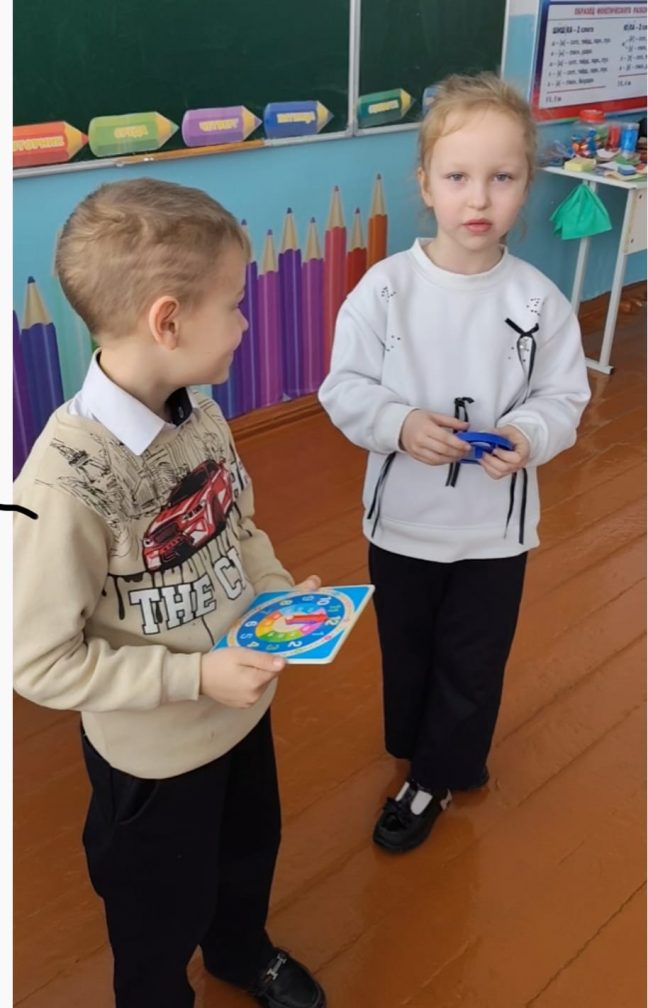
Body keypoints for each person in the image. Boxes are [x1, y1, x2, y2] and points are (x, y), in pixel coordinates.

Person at [13, 178, 326, 1008]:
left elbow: (238, 525)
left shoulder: (204, 417)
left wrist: (272, 594)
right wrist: (193, 676)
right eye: (235, 304)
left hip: (241, 717)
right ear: (168, 321)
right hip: (153, 761)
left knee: (247, 855)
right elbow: (38, 662)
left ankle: (241, 951)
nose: (246, 323)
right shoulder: (61, 487)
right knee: (156, 917)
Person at [318, 72, 591, 854]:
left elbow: (564, 395)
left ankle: (436, 775)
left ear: (526, 186)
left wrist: (529, 434)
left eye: (502, 178)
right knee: (407, 652)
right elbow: (344, 388)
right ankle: (423, 749)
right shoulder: (385, 291)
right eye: (458, 177)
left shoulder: (539, 301)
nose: (479, 198)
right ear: (426, 184)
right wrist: (399, 424)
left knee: (473, 659)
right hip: (402, 524)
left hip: (492, 534)